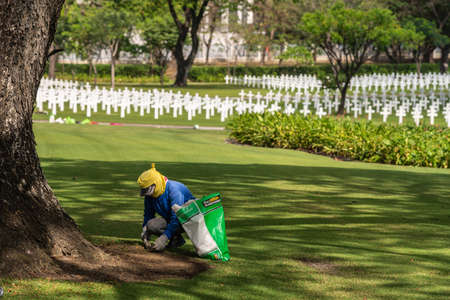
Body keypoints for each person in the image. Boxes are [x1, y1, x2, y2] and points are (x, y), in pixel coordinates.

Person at [137, 163, 195, 252]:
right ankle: (176, 239)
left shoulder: (174, 190)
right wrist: (145, 230)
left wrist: (164, 238)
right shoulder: (150, 195)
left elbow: (176, 218)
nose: (147, 194)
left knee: (170, 223)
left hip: (189, 220)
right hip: (172, 219)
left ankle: (174, 237)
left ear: (155, 184)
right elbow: (148, 213)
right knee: (151, 225)